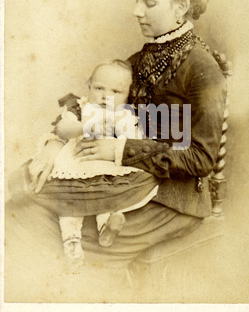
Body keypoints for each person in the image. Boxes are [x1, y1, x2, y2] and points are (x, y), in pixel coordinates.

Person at [6, 0, 227, 285]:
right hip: (118, 178)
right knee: (21, 204)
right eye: (136, 0)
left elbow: (201, 158)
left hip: (173, 195)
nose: (137, 11)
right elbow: (91, 105)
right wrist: (54, 145)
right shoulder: (141, 59)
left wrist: (119, 148)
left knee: (73, 250)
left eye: (149, 3)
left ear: (181, 7)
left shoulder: (202, 68)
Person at [11, 59, 159, 264]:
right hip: (76, 163)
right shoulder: (80, 108)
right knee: (68, 204)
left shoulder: (124, 114)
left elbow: (134, 141)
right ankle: (71, 242)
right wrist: (84, 127)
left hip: (105, 165)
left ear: (127, 95)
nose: (106, 96)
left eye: (116, 92)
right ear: (88, 86)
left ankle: (107, 226)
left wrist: (118, 135)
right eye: (99, 88)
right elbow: (62, 129)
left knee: (108, 197)